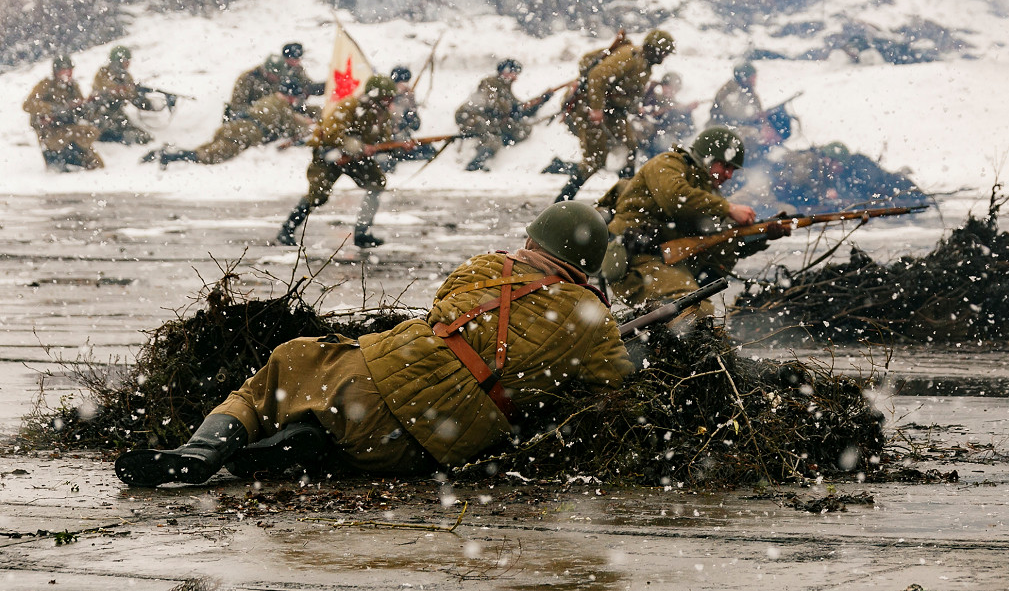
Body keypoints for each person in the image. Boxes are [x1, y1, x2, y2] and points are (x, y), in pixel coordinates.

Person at [113, 201, 634, 487]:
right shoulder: (593, 320)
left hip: (378, 375)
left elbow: (443, 312)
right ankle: (315, 451)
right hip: (439, 443)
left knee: (286, 365)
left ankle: (202, 452)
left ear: (533, 242)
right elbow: (617, 381)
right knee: (367, 453)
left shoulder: (486, 267)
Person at [602, 127, 789, 320]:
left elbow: (720, 243)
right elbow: (676, 197)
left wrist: (763, 234)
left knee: (697, 311)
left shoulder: (707, 194)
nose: (729, 175)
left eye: (733, 169)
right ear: (707, 159)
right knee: (698, 313)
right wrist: (728, 208)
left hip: (666, 262)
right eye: (725, 166)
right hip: (636, 263)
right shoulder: (667, 164)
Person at [275, 74, 400, 248]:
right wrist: (358, 146)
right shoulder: (350, 106)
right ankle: (286, 231)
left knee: (376, 183)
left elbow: (382, 141)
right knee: (317, 196)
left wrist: (396, 146)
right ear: (376, 95)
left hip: (357, 159)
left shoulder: (382, 114)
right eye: (387, 96)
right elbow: (331, 133)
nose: (390, 100)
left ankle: (362, 233)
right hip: (330, 156)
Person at [557, 29, 675, 202]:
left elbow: (627, 92)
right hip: (588, 108)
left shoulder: (645, 64)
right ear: (653, 49)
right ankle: (562, 201)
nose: (664, 57)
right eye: (663, 53)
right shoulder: (629, 56)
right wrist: (596, 109)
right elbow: (597, 77)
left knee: (629, 148)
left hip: (613, 112)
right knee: (595, 159)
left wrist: (635, 108)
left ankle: (624, 201)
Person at [141, 79, 316, 168]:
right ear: (291, 96)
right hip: (240, 133)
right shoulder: (282, 106)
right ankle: (170, 157)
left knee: (205, 150)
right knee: (210, 157)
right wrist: (309, 121)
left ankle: (170, 154)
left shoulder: (270, 100)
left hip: (234, 128)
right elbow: (294, 124)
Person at [456, 59, 554, 172]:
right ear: (504, 72)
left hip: (488, 119)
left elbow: (521, 109)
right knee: (493, 139)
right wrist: (511, 109)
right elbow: (492, 104)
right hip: (470, 116)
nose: (515, 78)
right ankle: (475, 164)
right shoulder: (489, 82)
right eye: (514, 74)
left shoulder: (505, 88)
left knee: (523, 130)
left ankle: (500, 138)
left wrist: (542, 100)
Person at [23, 55, 104, 172]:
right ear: (56, 72)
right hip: (50, 133)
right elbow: (28, 105)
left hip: (68, 129)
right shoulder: (46, 85)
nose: (68, 73)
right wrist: (54, 109)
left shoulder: (72, 86)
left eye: (70, 70)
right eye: (64, 70)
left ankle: (74, 156)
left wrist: (87, 106)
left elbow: (80, 106)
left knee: (97, 165)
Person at [707, 62, 778, 166]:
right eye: (752, 77)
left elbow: (757, 109)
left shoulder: (749, 91)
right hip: (722, 127)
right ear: (744, 78)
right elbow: (734, 113)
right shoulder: (729, 91)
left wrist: (763, 120)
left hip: (739, 125)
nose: (755, 80)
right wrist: (754, 116)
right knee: (751, 136)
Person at [88, 45, 158, 145]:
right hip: (101, 116)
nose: (128, 63)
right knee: (123, 136)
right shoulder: (103, 73)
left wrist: (149, 104)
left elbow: (134, 98)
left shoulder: (126, 76)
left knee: (143, 137)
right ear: (119, 61)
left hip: (117, 115)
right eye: (126, 60)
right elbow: (110, 91)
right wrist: (126, 89)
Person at [638, 72, 696, 158]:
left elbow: (690, 129)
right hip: (651, 142)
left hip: (668, 145)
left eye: (673, 88)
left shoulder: (679, 106)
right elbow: (643, 110)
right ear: (662, 86)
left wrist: (688, 112)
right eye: (667, 86)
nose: (669, 90)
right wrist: (650, 90)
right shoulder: (653, 98)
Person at [222, 55, 288, 122]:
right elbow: (237, 105)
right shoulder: (247, 78)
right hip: (249, 119)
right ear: (267, 71)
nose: (277, 78)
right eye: (275, 75)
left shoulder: (283, 80)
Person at [281, 42, 326, 115]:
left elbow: (309, 86)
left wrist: (326, 86)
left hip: (297, 106)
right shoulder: (281, 71)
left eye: (299, 58)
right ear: (287, 58)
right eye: (295, 59)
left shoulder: (297, 69)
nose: (298, 61)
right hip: (285, 109)